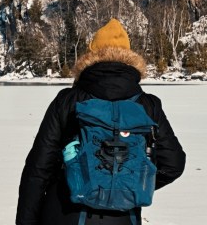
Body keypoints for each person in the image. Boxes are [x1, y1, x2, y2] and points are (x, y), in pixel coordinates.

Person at [16, 18, 185, 225]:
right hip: (124, 217)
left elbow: (38, 168)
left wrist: (26, 220)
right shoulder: (148, 105)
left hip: (64, 211)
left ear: (91, 55)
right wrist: (127, 185)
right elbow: (174, 164)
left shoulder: (67, 100)